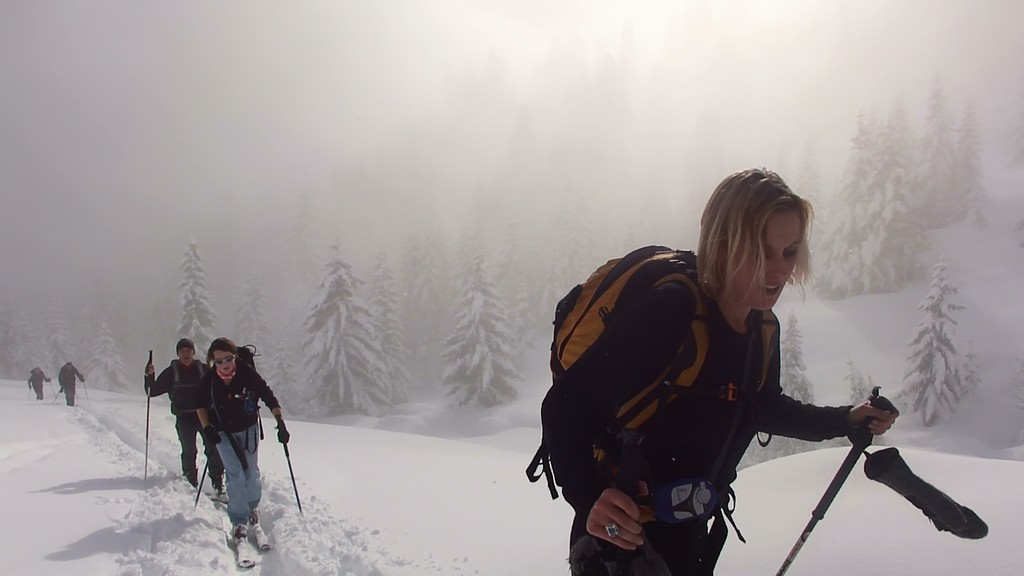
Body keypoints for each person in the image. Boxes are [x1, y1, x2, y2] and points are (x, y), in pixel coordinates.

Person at [541, 168, 899, 576]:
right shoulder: (672, 309)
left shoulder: (762, 327)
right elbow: (565, 405)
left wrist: (845, 419)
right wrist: (589, 497)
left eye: (790, 251)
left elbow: (762, 407)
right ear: (724, 245)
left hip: (691, 537)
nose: (779, 270)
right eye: (762, 251)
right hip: (621, 544)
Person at [196, 337, 289, 548]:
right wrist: (207, 428)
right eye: (218, 361)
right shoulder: (210, 379)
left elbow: (267, 395)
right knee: (235, 472)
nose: (224, 364)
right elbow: (199, 404)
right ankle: (239, 520)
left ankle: (252, 508)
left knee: (251, 473)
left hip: (248, 430)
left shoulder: (246, 372)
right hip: (221, 433)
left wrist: (280, 422)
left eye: (228, 358)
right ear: (212, 361)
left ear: (234, 356)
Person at [145, 337, 226, 496]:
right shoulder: (171, 372)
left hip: (205, 416)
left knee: (213, 449)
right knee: (189, 450)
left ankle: (218, 484)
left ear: (193, 352)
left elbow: (219, 387)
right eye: (182, 350)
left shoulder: (203, 369)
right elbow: (151, 391)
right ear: (178, 353)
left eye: (188, 350)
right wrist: (149, 376)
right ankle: (191, 482)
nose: (186, 353)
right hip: (184, 417)